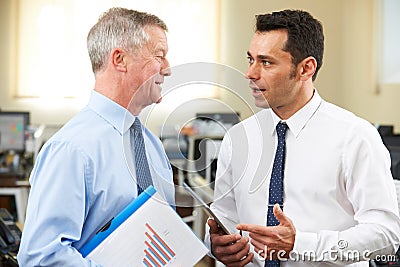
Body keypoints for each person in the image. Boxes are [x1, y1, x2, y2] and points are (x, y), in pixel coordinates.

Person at [205, 9, 400, 267]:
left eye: (266, 62)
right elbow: (224, 219)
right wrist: (215, 246)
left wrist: (301, 245)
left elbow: (385, 235)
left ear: (306, 68)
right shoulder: (238, 137)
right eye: (250, 59)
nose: (250, 73)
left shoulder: (355, 137)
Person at [17, 7, 173, 266]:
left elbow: (163, 237)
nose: (167, 69)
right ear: (120, 59)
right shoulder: (71, 149)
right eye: (159, 56)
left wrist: (208, 246)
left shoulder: (152, 147)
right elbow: (40, 257)